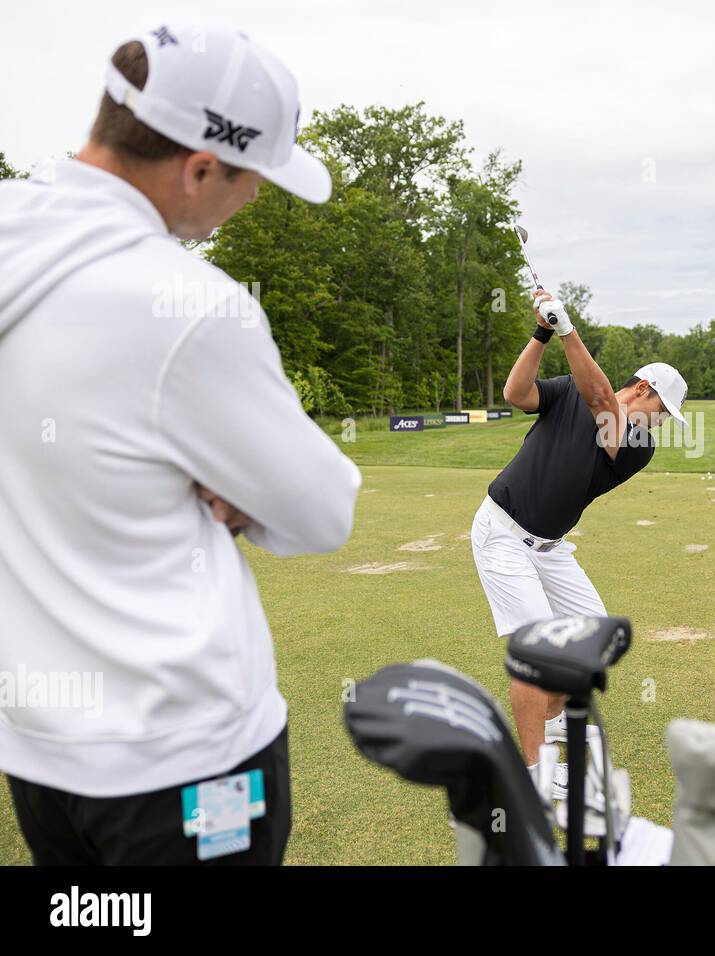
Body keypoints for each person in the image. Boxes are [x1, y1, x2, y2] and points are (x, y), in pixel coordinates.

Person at [0, 24, 359, 864]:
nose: (258, 199)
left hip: (37, 753)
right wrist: (235, 495)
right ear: (200, 167)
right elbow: (321, 513)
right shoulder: (189, 306)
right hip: (189, 764)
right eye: (254, 177)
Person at [472, 288, 688, 799]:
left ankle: (548, 726)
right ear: (645, 389)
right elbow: (516, 394)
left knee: (589, 641)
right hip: (502, 533)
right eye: (664, 410)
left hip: (549, 547)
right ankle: (530, 776)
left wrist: (568, 329)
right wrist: (543, 333)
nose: (663, 422)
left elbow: (601, 404)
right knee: (536, 650)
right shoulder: (571, 390)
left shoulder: (637, 445)